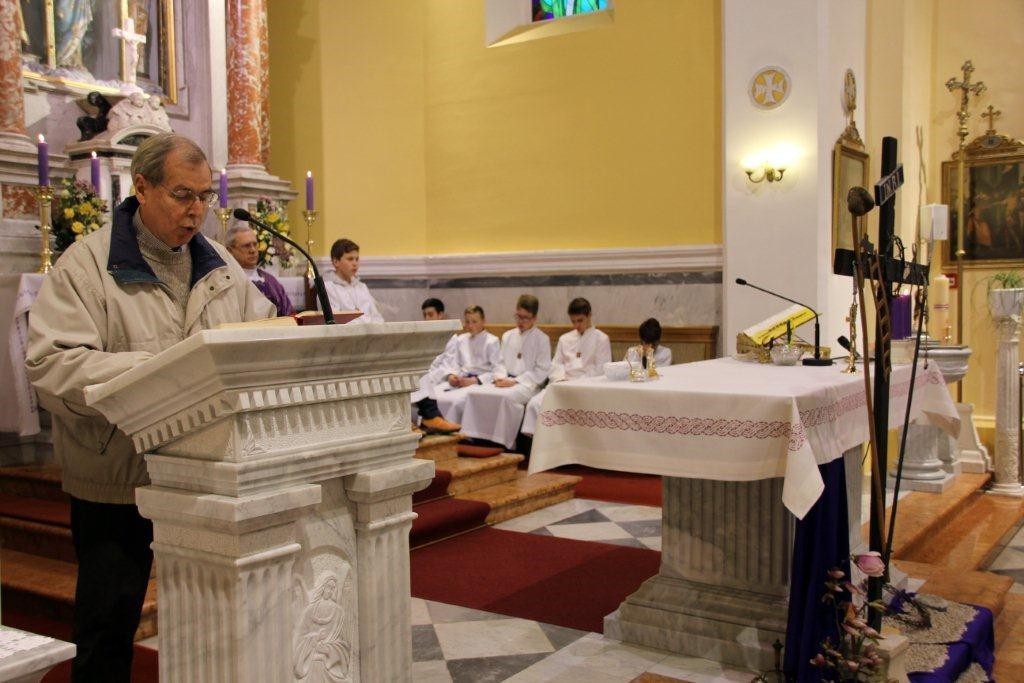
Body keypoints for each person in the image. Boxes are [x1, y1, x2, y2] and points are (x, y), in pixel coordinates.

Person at [25, 133, 275, 681]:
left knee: (214, 615)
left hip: (207, 466)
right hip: (118, 474)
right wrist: (156, 375)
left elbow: (257, 337)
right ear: (141, 187)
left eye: (205, 197)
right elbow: (51, 364)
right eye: (183, 195)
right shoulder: (87, 265)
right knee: (109, 622)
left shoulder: (220, 265)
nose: (196, 211)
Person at [458, 295, 551, 449]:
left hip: (529, 384)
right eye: (518, 316)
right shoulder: (508, 336)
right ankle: (476, 438)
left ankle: (502, 443)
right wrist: (500, 377)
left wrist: (514, 381)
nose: (520, 321)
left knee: (507, 398)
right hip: (505, 380)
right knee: (478, 392)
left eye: (525, 318)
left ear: (534, 318)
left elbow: (542, 370)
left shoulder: (542, 339)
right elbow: (500, 363)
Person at [521, 297, 611, 436]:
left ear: (589, 316)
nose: (576, 325)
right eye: (573, 321)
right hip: (562, 383)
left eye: (580, 320)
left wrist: (577, 382)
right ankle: (539, 442)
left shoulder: (601, 339)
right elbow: (556, 364)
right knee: (534, 404)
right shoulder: (565, 339)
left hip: (586, 386)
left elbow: (601, 370)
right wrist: (560, 379)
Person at [434, 305, 501, 425]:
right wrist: (452, 375)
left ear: (483, 321)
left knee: (456, 402)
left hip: (480, 382)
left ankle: (453, 429)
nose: (470, 326)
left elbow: (497, 369)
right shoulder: (461, 339)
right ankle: (433, 426)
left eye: (474, 321)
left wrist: (476, 380)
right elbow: (455, 363)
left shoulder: (492, 341)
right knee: (434, 395)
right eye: (467, 322)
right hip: (461, 379)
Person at [410, 298, 461, 434]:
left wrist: (434, 375)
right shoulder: (421, 336)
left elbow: (449, 364)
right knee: (412, 375)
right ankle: (430, 418)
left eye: (430, 314)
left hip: (439, 378)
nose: (427, 318)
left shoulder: (450, 337)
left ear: (440, 314)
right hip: (424, 374)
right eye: (425, 315)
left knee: (421, 377)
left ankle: (429, 418)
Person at [225, 223, 295, 317]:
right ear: (230, 251)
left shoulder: (271, 282)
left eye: (255, 244)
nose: (253, 250)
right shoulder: (227, 282)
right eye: (246, 246)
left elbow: (289, 315)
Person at [322, 238, 384, 322]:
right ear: (336, 262)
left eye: (357, 259)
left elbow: (377, 317)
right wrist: (366, 322)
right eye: (350, 259)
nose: (355, 263)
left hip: (369, 330)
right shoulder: (328, 288)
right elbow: (335, 321)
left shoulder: (361, 287)